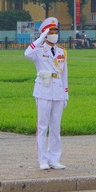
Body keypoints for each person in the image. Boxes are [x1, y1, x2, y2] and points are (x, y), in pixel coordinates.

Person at [24, 17, 69, 170]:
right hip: (43, 90)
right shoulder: (38, 50)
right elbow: (26, 53)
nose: (54, 34)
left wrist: (66, 93)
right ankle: (43, 160)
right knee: (43, 127)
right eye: (51, 32)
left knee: (56, 128)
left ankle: (54, 158)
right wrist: (41, 37)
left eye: (56, 31)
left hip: (57, 90)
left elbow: (64, 74)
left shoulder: (62, 51)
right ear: (45, 33)